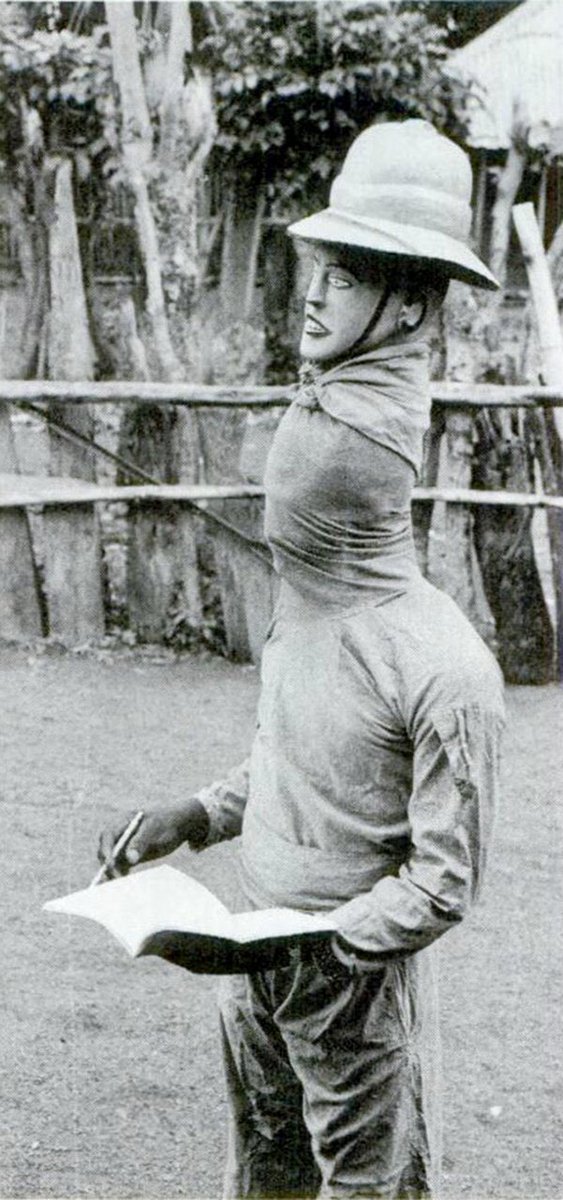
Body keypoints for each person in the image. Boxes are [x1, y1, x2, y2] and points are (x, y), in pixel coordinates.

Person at [99, 120, 505, 1199]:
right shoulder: (309, 620)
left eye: (348, 275)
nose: (312, 296)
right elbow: (306, 761)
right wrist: (200, 814)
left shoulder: (440, 668)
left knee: (371, 1189)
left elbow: (442, 881)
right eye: (315, 270)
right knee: (263, 1176)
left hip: (343, 978)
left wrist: (317, 945)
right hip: (255, 950)